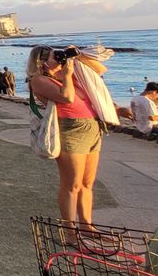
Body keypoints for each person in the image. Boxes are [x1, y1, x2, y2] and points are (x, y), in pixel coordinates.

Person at [28, 45, 105, 233]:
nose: (61, 59)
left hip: (92, 128)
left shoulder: (67, 74)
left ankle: (87, 226)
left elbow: (101, 69)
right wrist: (68, 73)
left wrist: (78, 55)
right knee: (72, 184)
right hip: (71, 130)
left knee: (87, 184)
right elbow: (67, 97)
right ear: (43, 62)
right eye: (56, 56)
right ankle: (70, 232)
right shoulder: (38, 80)